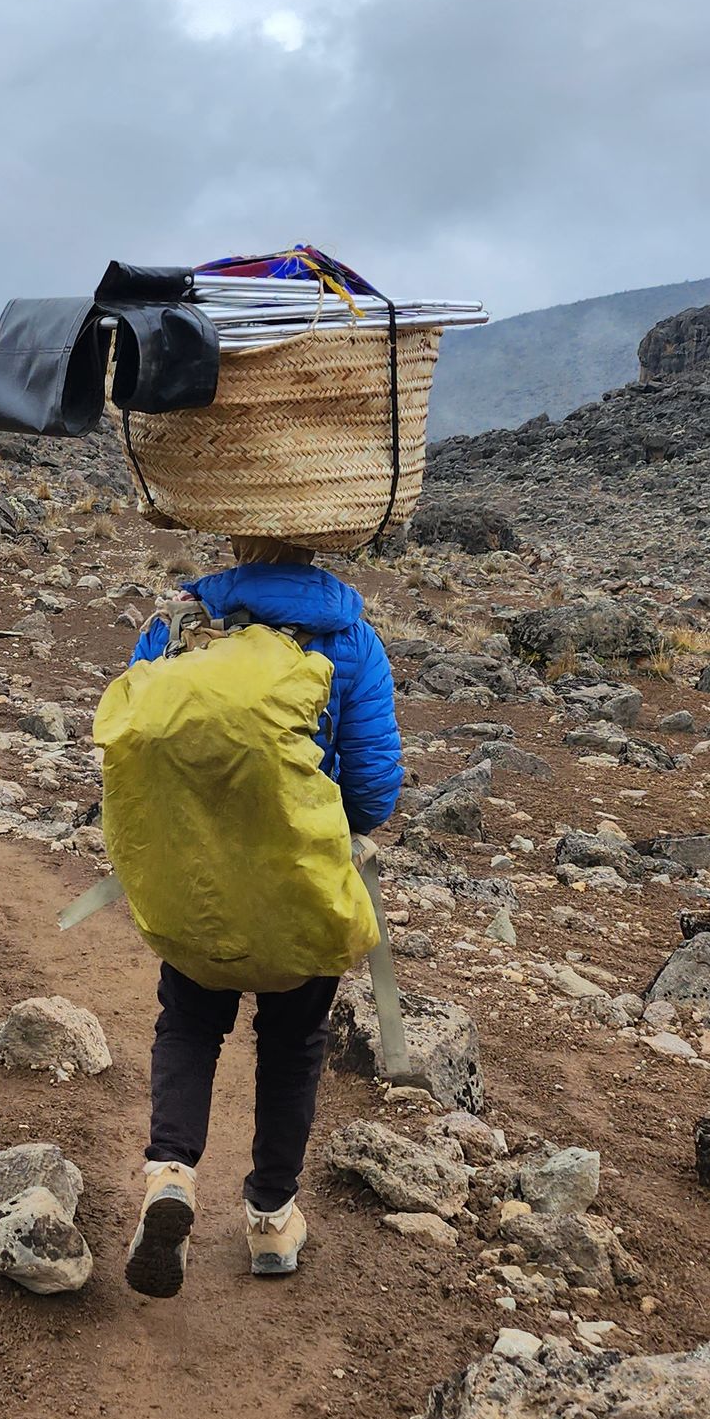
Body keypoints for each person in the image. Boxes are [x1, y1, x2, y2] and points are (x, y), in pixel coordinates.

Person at [122, 536, 401, 1297]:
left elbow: (132, 748)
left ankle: (170, 1175)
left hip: (199, 883)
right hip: (302, 889)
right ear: (318, 537)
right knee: (293, 1046)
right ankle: (272, 1220)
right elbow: (376, 789)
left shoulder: (177, 624)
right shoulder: (351, 638)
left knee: (187, 1025)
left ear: (234, 532)